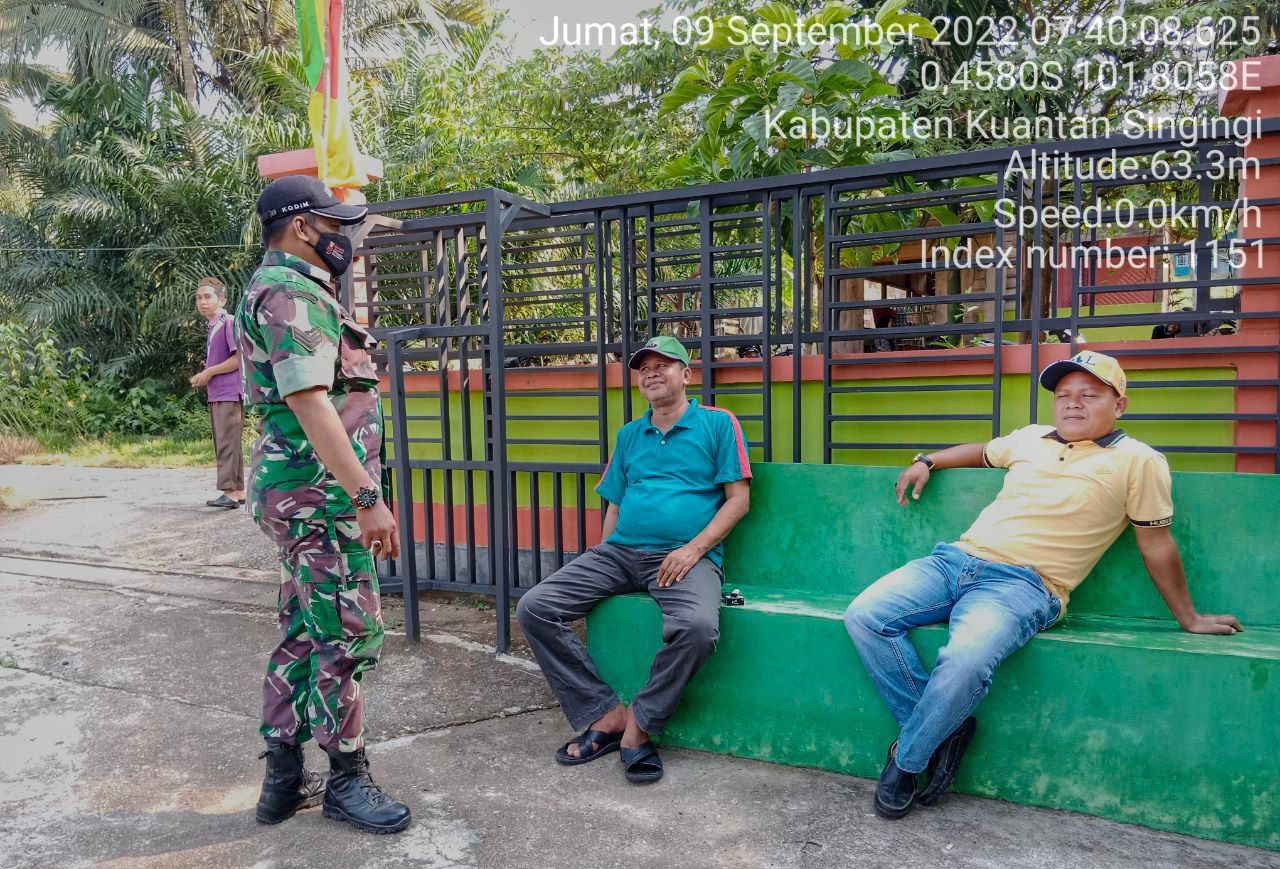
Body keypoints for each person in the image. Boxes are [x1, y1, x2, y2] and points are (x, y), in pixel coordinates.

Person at [843, 350, 1242, 821]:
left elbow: (1156, 544)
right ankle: (940, 732)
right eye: (1064, 395)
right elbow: (982, 451)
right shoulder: (1030, 439)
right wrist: (928, 460)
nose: (1073, 404)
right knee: (865, 616)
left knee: (966, 659)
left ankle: (908, 761)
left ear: (1120, 405)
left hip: (1025, 586)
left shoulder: (1140, 461)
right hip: (954, 560)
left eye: (1089, 395)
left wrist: (1189, 618)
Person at [237, 175, 410, 834]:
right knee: (343, 631)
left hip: (302, 495)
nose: (346, 236)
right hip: (321, 497)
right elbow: (311, 401)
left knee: (304, 629)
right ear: (303, 226)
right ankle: (345, 776)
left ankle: (282, 778)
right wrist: (367, 496)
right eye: (336, 223)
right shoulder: (291, 293)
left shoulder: (287, 289)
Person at [516, 335, 752, 783]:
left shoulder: (719, 424)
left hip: (686, 558)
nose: (652, 372)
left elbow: (737, 500)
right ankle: (605, 713)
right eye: (644, 367)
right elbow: (615, 504)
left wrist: (693, 549)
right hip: (621, 552)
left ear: (687, 374)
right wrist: (603, 553)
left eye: (664, 364)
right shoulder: (630, 434)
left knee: (698, 629)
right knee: (535, 608)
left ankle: (640, 725)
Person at [191, 277, 246, 508]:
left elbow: (238, 358)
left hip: (229, 392)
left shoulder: (227, 322)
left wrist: (208, 373)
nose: (202, 302)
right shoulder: (213, 324)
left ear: (222, 300)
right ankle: (240, 491)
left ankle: (229, 492)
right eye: (198, 298)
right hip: (219, 392)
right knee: (229, 441)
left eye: (208, 297)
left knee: (226, 442)